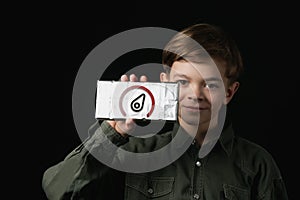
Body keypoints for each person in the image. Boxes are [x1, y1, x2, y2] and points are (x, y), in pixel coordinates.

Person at [42, 23, 289, 200]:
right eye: (183, 82)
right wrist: (114, 131)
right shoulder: (131, 153)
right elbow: (58, 191)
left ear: (229, 92)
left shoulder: (257, 165)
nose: (195, 94)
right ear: (166, 82)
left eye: (210, 84)